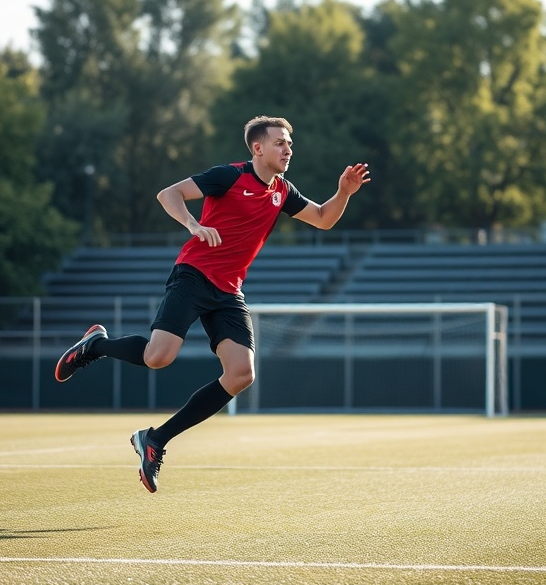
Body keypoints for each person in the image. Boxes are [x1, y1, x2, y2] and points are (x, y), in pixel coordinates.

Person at [54, 115, 370, 493]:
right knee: (158, 357)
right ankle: (96, 345)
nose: (288, 149)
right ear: (258, 148)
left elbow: (322, 218)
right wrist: (192, 224)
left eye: (289, 144)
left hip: (229, 291)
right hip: (194, 274)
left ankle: (154, 440)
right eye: (279, 143)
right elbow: (168, 194)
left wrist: (344, 193)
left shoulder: (283, 192)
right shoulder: (228, 176)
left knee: (241, 374)